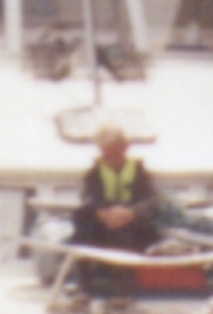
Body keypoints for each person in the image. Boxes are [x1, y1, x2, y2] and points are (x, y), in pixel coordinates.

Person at [68, 122, 167, 301]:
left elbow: (152, 200)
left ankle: (122, 290)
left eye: (116, 149)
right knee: (81, 219)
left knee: (125, 233)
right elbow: (89, 197)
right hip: (104, 221)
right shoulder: (93, 173)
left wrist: (131, 212)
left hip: (132, 223)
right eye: (106, 151)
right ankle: (83, 286)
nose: (111, 156)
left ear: (125, 147)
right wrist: (101, 212)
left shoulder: (140, 171)